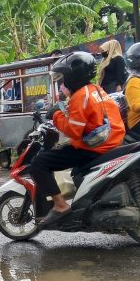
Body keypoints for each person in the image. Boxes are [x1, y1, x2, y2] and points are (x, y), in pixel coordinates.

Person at [33, 51, 125, 227]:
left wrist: (56, 116)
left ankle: (60, 205)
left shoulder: (80, 97)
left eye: (63, 78)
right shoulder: (97, 90)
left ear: (73, 76)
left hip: (93, 148)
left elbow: (73, 131)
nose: (62, 83)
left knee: (39, 163)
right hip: (112, 142)